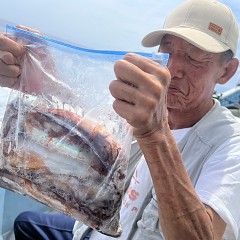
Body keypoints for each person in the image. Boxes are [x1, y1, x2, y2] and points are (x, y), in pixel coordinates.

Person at [0, 0, 240, 239]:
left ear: (227, 71)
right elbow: (94, 134)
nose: (173, 69)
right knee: (26, 222)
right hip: (85, 231)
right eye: (167, 52)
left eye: (194, 57)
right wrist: (41, 78)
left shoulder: (231, 144)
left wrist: (156, 135)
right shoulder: (142, 110)